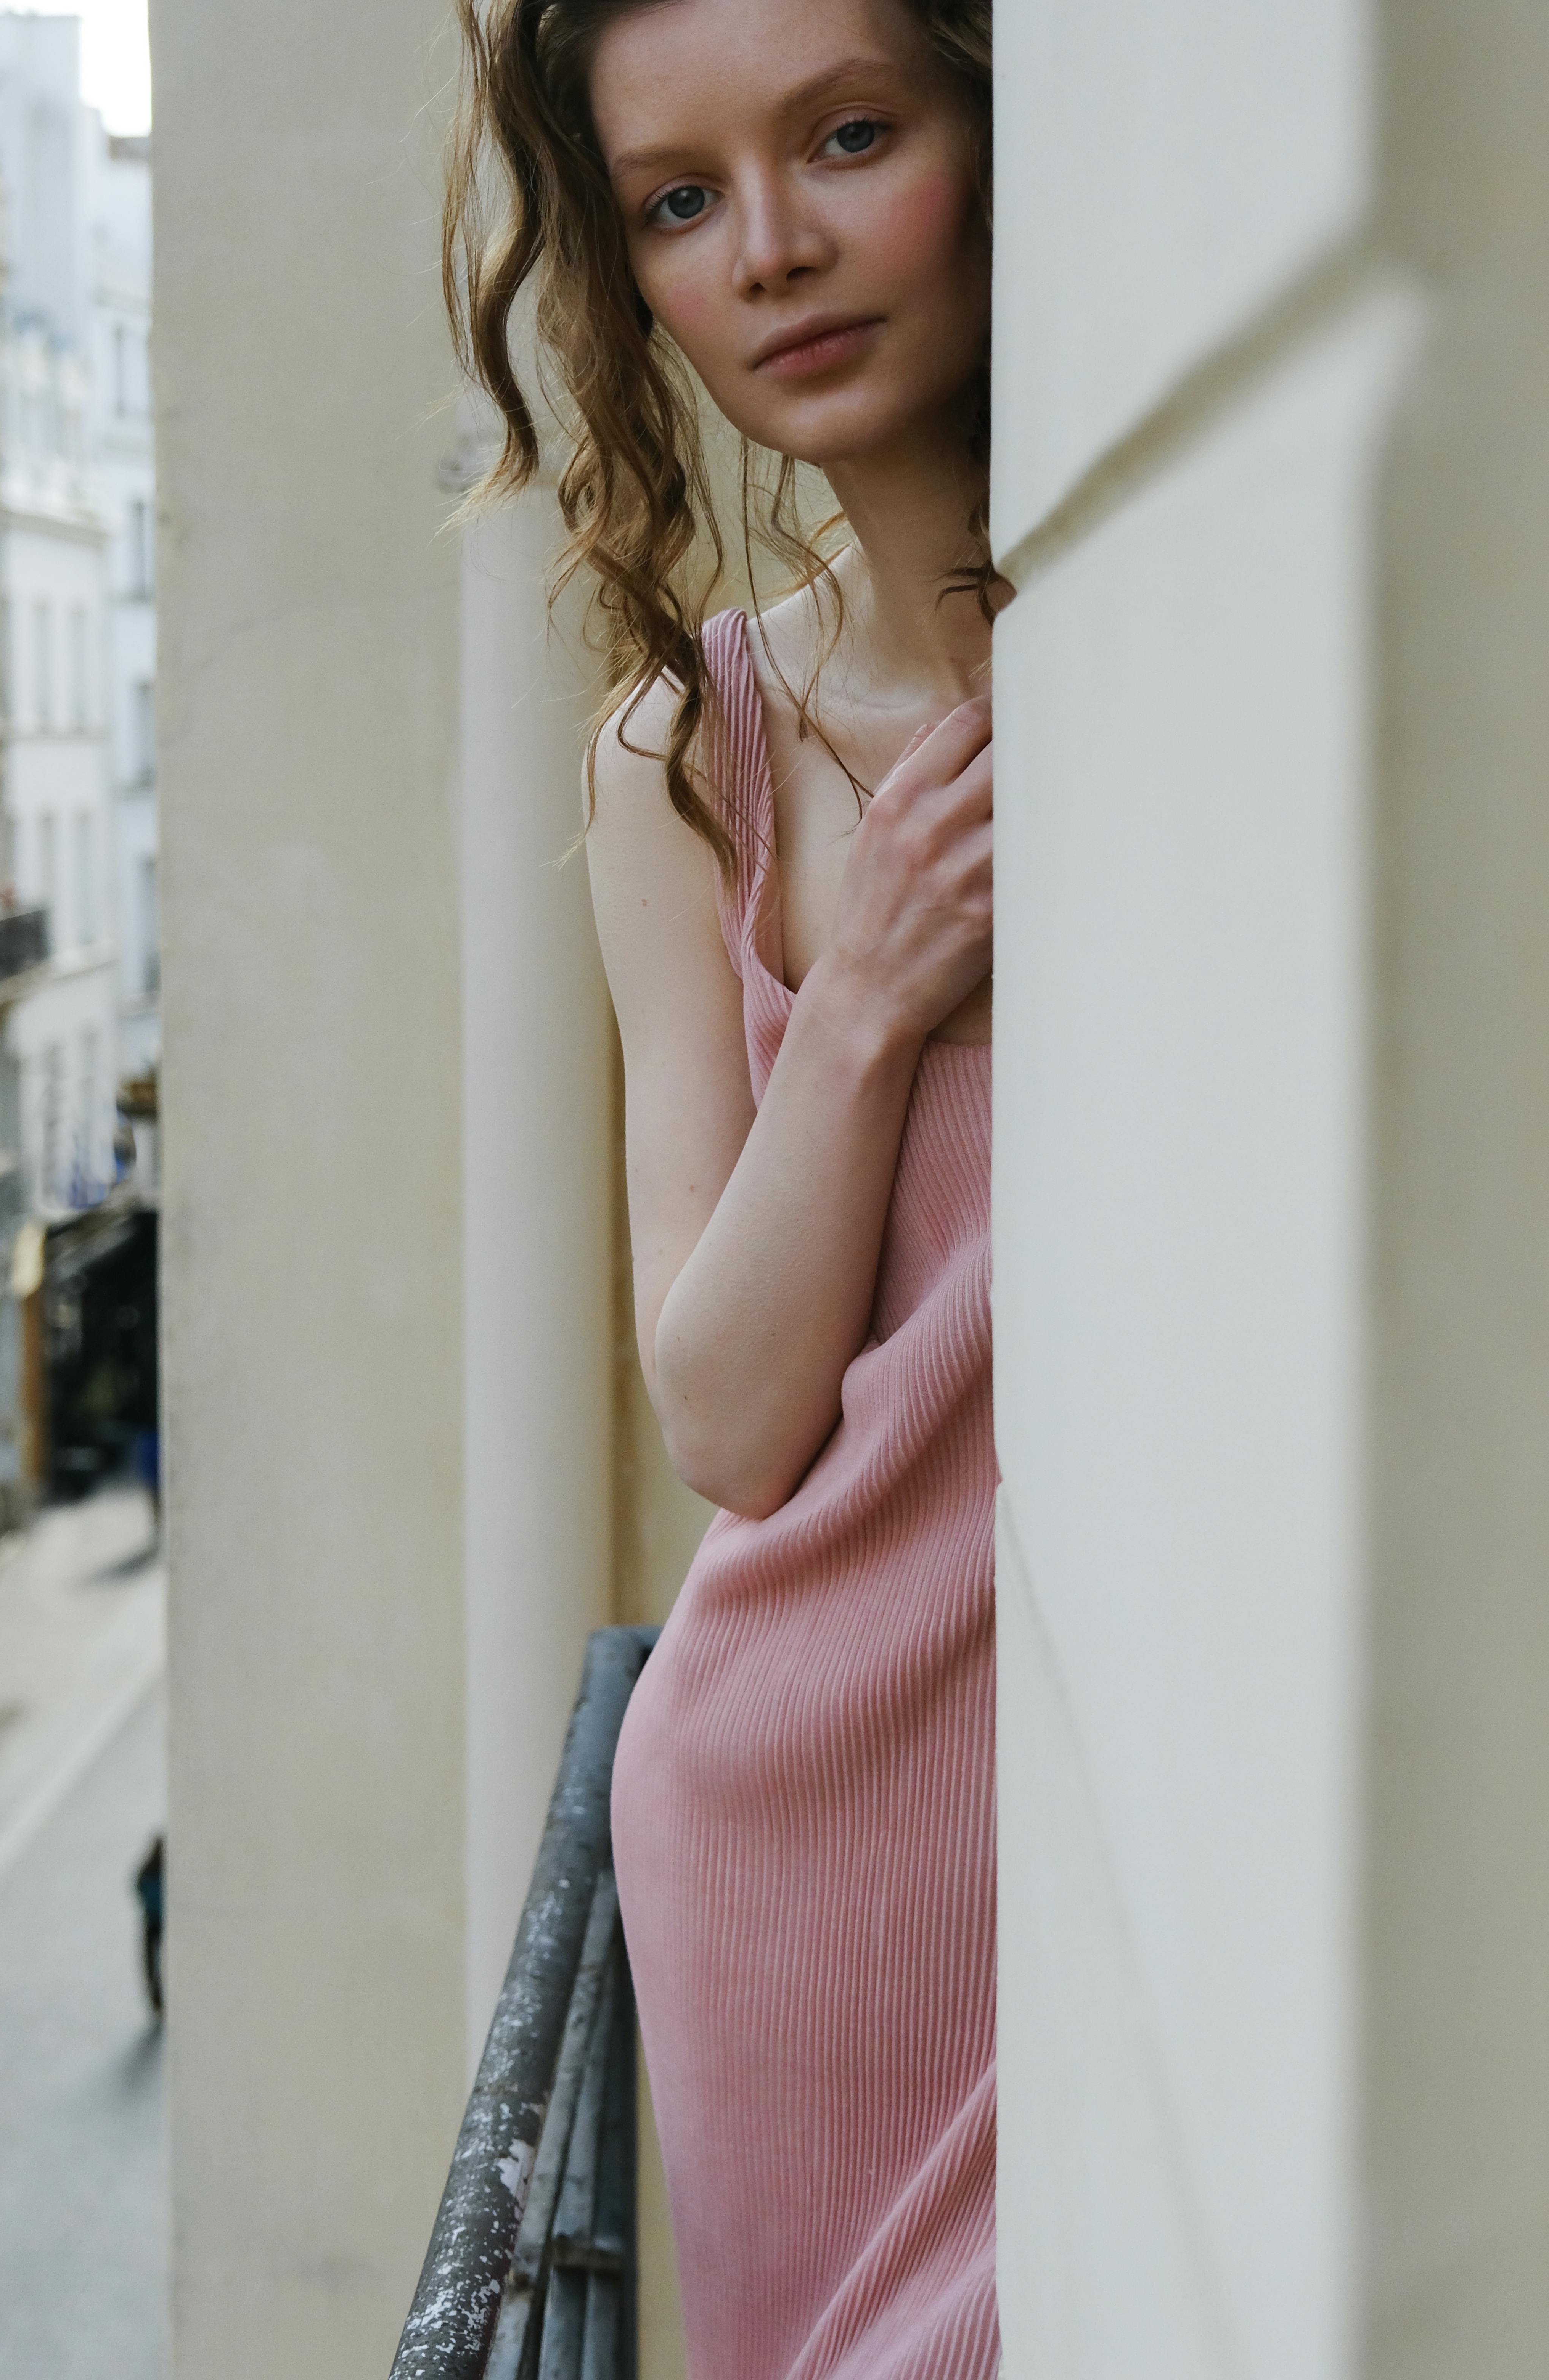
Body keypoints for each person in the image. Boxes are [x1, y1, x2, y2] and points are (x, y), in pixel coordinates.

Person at [446, 0, 998, 2370]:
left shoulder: (1201, 643)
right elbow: (729, 1421)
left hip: (1153, 1776)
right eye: (679, 199)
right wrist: (865, 1001)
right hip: (797, 1842)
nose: (772, 248)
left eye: (850, 135)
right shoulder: (690, 760)